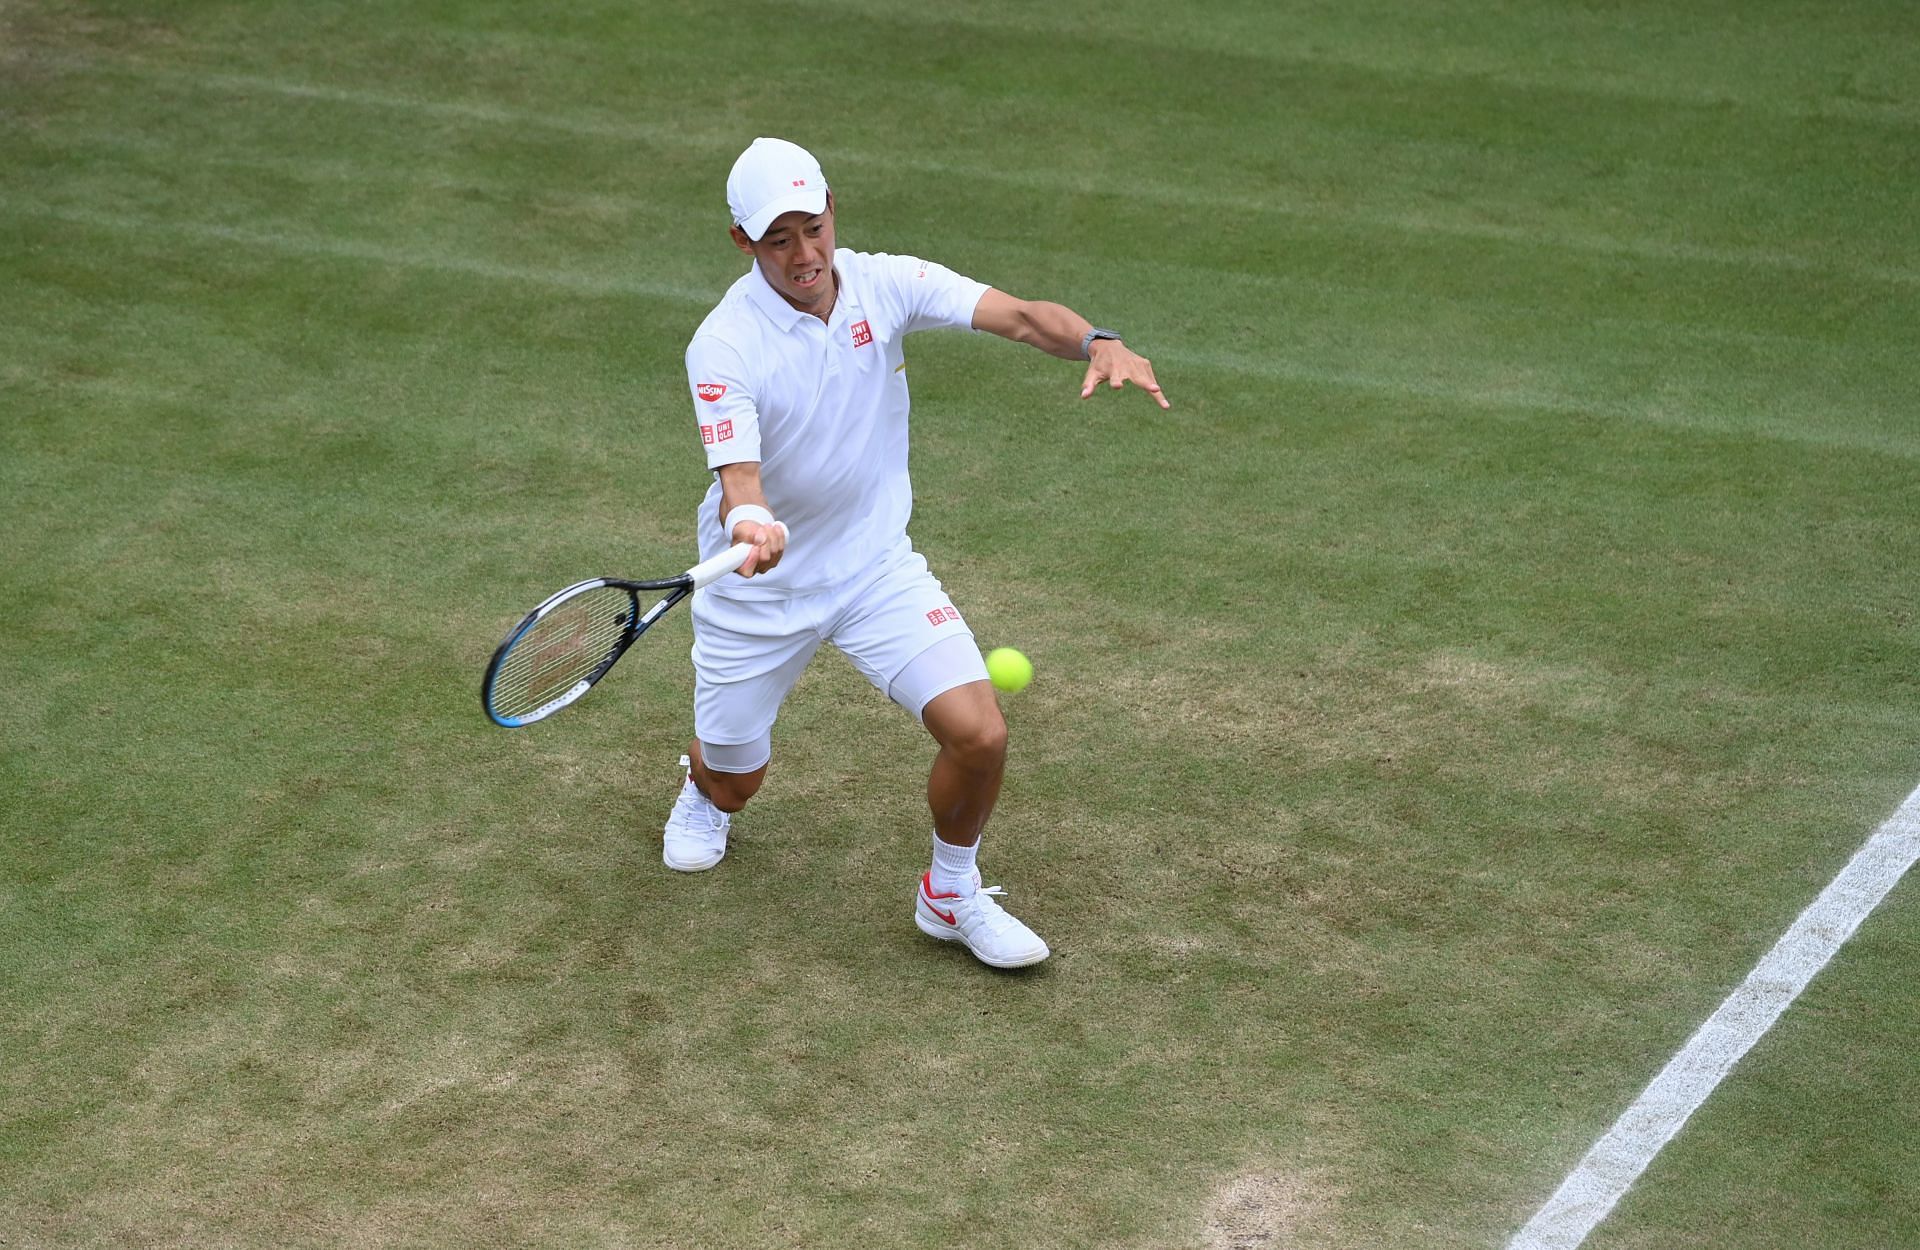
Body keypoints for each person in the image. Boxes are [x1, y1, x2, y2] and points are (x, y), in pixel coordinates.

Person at [663, 137, 1168, 970]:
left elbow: (1021, 316)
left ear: (834, 211)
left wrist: (1097, 341)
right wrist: (751, 522)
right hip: (761, 593)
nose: (803, 254)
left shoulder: (884, 280)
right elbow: (738, 476)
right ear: (743, 243)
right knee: (736, 782)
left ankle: (950, 893)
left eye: (812, 227)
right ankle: (703, 786)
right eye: (777, 238)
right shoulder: (722, 344)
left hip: (872, 570)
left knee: (980, 733)